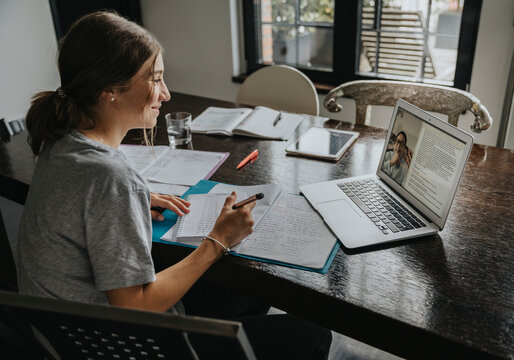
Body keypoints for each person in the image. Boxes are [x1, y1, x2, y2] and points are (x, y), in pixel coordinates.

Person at [17, 11, 330, 359]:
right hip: (118, 345)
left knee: (253, 284)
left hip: (60, 338)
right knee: (311, 334)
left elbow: (82, 208)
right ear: (110, 91)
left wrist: (132, 205)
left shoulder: (60, 141)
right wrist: (217, 241)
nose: (165, 94)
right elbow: (134, 308)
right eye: (155, 79)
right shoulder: (110, 176)